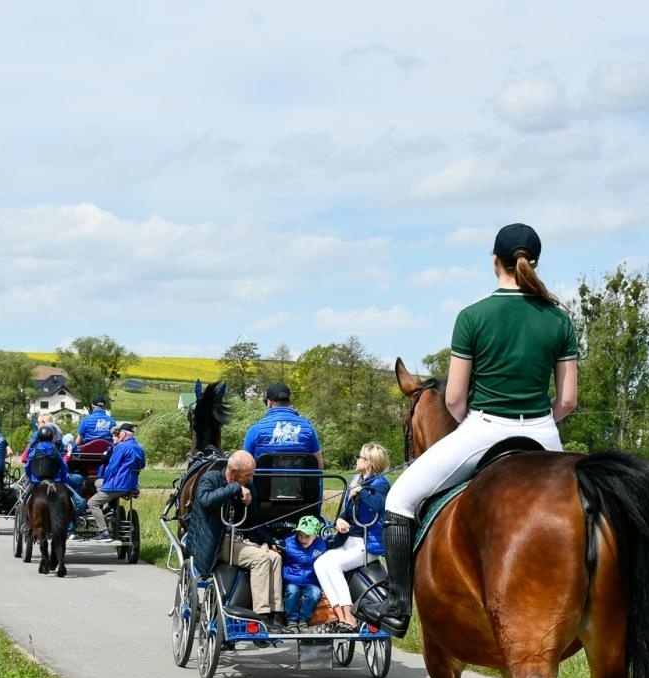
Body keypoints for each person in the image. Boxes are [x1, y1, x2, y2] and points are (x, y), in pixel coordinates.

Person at [358, 222, 578, 638]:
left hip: (484, 429)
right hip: (546, 437)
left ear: (495, 260)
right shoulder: (559, 320)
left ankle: (398, 606)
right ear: (534, 263)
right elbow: (567, 401)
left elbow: (455, 398)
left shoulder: (473, 316)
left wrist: (473, 427)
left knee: (401, 498)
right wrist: (539, 420)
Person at [185, 450, 285, 630]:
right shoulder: (211, 479)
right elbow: (205, 500)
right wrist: (235, 489)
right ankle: (261, 615)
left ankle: (276, 613)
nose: (251, 478)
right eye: (247, 475)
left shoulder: (249, 487)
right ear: (233, 471)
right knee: (260, 559)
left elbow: (254, 521)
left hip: (237, 539)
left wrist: (268, 541)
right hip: (214, 541)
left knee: (274, 557)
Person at [313, 442, 391, 630]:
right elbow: (347, 513)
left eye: (360, 456)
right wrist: (340, 520)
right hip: (349, 541)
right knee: (320, 563)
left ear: (369, 463)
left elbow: (379, 506)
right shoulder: (356, 480)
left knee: (333, 565)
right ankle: (339, 614)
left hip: (367, 544)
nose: (356, 459)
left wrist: (361, 492)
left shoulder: (381, 484)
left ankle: (349, 616)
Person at [89, 423, 146, 542]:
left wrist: (107, 482)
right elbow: (142, 465)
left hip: (117, 485)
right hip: (131, 485)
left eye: (119, 434)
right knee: (98, 483)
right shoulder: (139, 448)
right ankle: (108, 507)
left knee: (92, 503)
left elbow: (112, 467)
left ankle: (103, 531)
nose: (119, 436)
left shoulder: (121, 447)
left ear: (124, 434)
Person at [242, 383, 322, 466]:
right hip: (300, 479)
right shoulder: (308, 428)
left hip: (264, 479)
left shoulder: (256, 429)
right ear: (289, 402)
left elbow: (245, 465)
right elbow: (319, 466)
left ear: (269, 403)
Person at [281, 515, 327, 632]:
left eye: (307, 536)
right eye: (300, 535)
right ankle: (292, 621)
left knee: (315, 594)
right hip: (292, 578)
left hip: (311, 580)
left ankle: (303, 621)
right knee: (292, 591)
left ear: (316, 536)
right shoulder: (288, 542)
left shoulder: (321, 544)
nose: (303, 539)